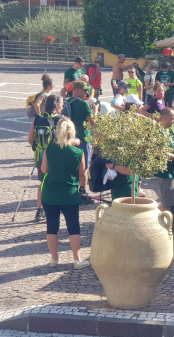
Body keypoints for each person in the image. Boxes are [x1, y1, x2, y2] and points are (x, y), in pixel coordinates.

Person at [40, 117, 91, 270]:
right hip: (69, 194)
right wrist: (83, 188)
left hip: (50, 194)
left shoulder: (50, 148)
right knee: (74, 227)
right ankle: (77, 259)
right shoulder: (78, 152)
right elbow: (82, 174)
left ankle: (54, 259)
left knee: (52, 227)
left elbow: (44, 170)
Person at [28, 94, 64, 222]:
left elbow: (30, 139)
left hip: (41, 157)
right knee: (57, 183)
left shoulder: (38, 118)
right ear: (58, 106)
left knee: (43, 183)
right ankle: (54, 210)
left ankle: (40, 210)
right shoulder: (61, 119)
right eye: (62, 104)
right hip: (56, 157)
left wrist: (40, 148)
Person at [66, 81, 96, 205]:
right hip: (83, 139)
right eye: (84, 90)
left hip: (70, 139)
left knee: (71, 166)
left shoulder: (66, 101)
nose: (87, 92)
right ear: (76, 90)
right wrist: (94, 111)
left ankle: (71, 190)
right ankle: (82, 192)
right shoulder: (83, 104)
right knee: (84, 168)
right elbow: (92, 122)